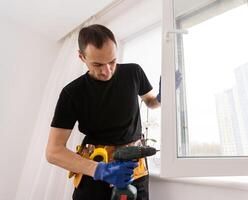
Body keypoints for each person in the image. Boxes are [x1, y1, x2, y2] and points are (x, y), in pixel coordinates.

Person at [45, 24, 161, 200]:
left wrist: (163, 96)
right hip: (96, 171)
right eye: (98, 64)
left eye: (112, 61)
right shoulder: (72, 93)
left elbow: (151, 102)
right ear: (82, 57)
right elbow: (53, 151)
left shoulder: (134, 72)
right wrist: (98, 170)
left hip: (135, 171)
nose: (107, 71)